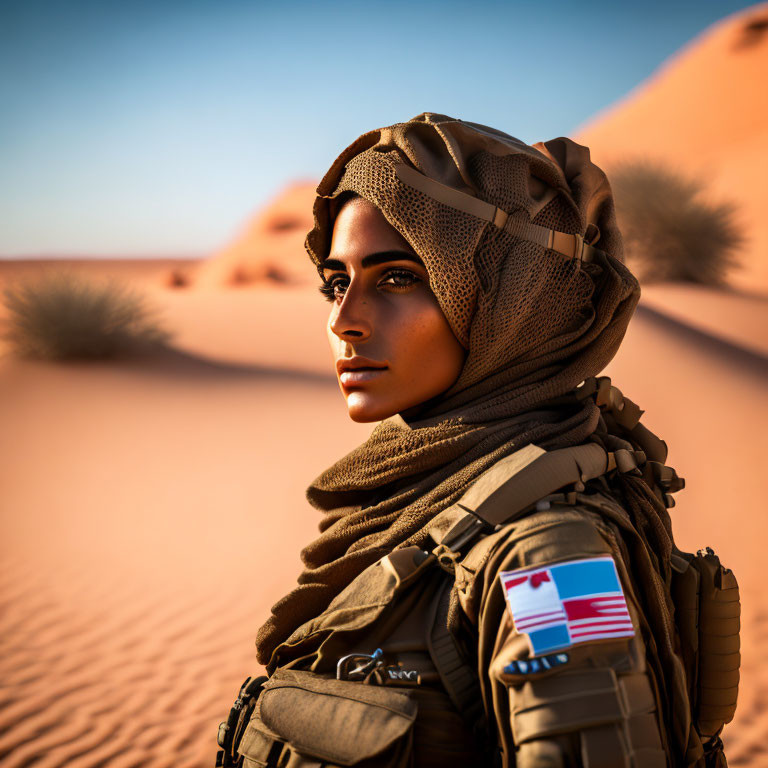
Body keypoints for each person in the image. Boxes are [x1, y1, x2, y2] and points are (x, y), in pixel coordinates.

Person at [216, 113, 739, 768]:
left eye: (398, 278)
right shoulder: (420, 495)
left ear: (514, 302)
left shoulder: (549, 558)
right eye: (336, 283)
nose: (344, 321)